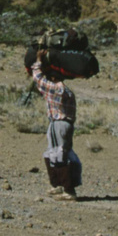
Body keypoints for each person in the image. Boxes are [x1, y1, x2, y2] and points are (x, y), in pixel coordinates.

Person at [30, 48, 83, 202]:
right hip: (61, 124)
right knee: (53, 152)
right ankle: (57, 185)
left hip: (59, 123)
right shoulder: (67, 90)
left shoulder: (55, 89)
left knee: (59, 153)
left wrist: (38, 60)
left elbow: (37, 77)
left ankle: (68, 190)